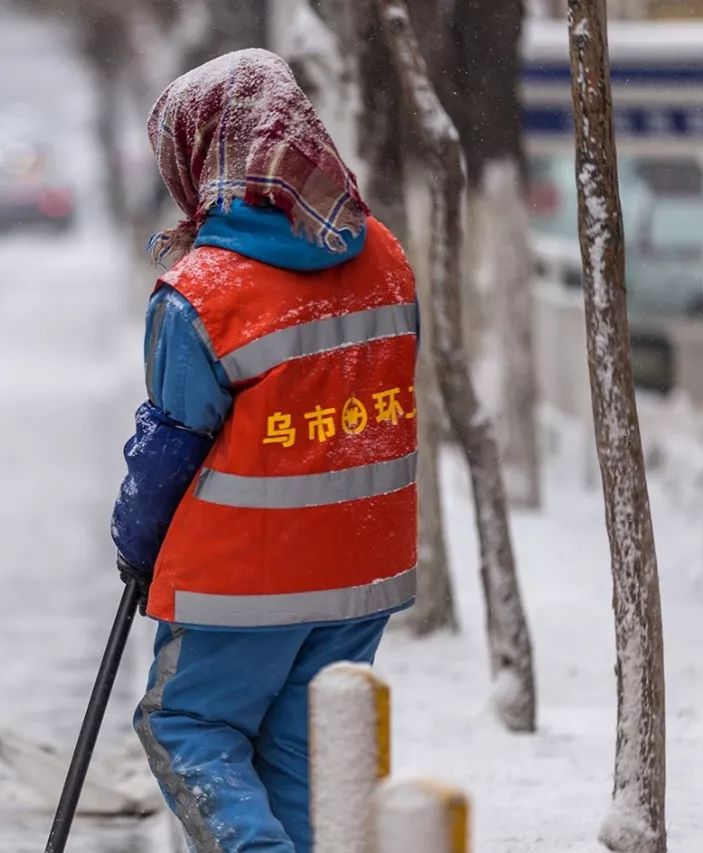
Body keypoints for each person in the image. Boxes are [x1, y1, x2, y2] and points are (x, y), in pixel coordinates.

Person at [111, 50, 419, 852]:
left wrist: (136, 542)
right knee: (300, 751)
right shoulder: (383, 254)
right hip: (363, 559)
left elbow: (172, 440)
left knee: (189, 724)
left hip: (245, 574)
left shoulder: (204, 291)